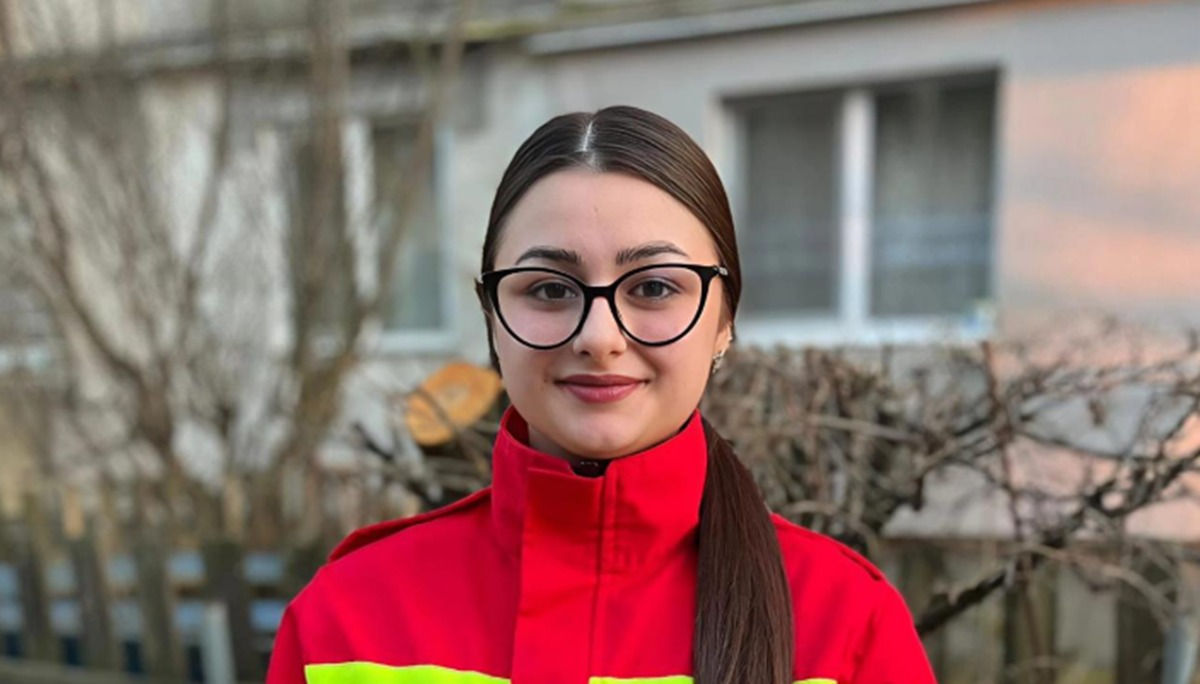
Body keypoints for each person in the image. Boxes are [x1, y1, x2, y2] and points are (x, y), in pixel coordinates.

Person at [265, 105, 937, 684]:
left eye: (654, 287)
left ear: (724, 319)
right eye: (549, 290)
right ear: (492, 316)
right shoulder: (346, 618)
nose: (599, 337)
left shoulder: (847, 624)